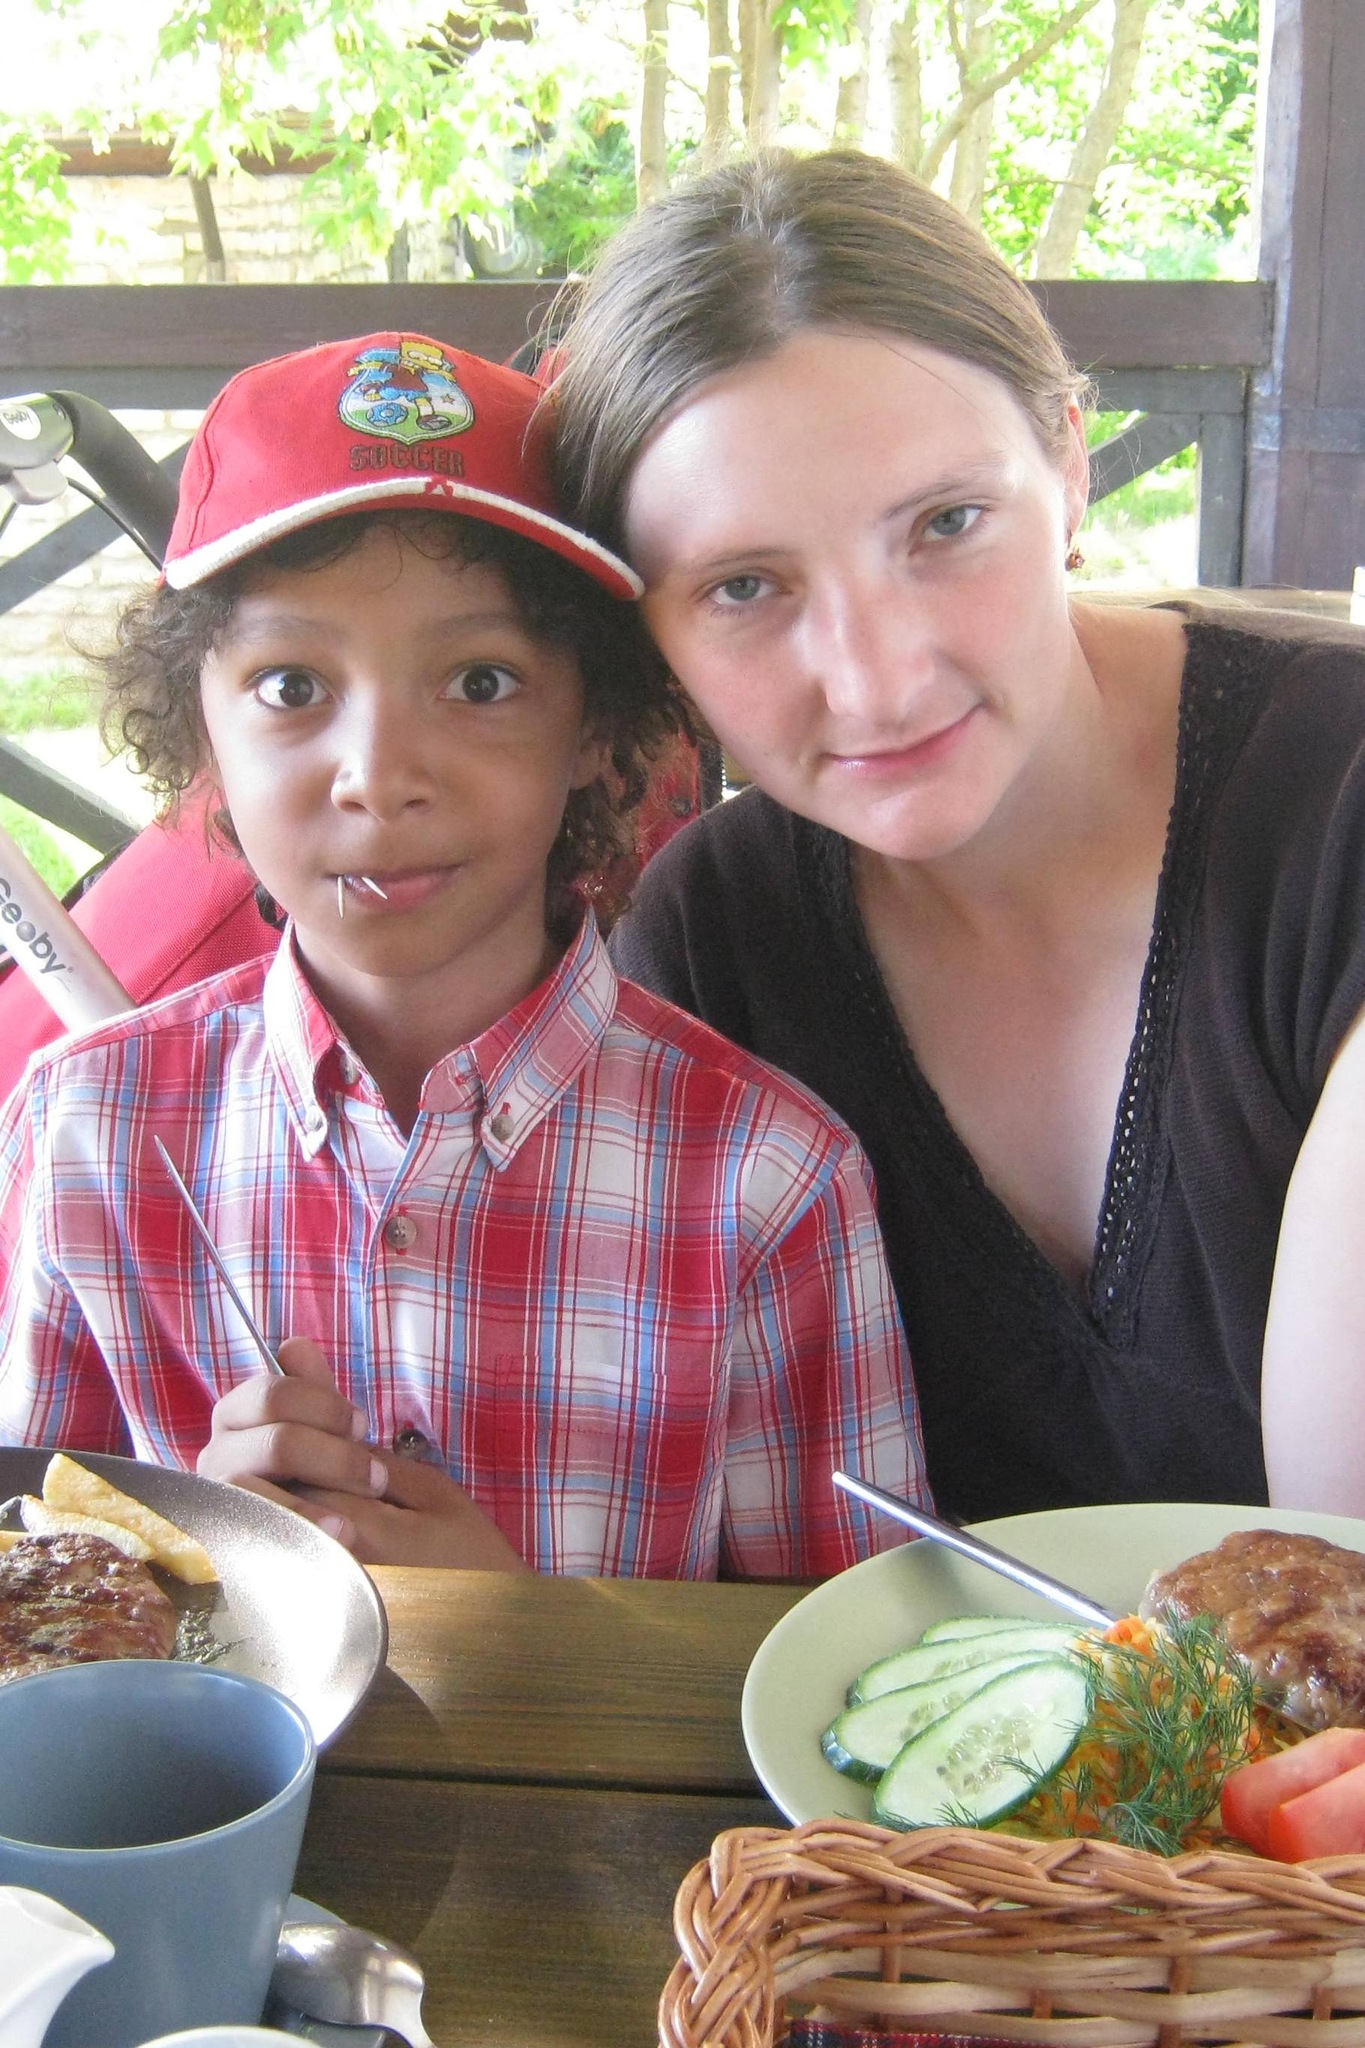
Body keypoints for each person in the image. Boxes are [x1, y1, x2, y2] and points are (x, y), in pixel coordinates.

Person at [0, 329, 929, 1576]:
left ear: (597, 725)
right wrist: (204, 1580)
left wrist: (525, 1635)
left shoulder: (767, 1180)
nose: (380, 777)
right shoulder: (88, 1129)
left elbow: (850, 1658)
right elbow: (38, 1618)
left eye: (481, 681)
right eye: (290, 686)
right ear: (204, 730)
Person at [548, 148, 1365, 1524]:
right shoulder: (708, 947)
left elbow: (1339, 1562)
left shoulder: (1336, 807)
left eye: (946, 523)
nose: (876, 678)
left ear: (1070, 463)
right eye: (744, 587)